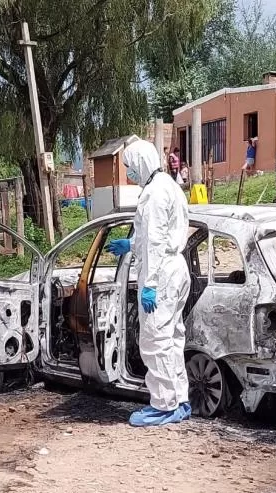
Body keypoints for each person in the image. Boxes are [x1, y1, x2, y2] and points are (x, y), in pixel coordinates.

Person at [105, 140, 191, 427]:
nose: (129, 172)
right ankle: (179, 399)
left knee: (155, 341)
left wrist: (150, 284)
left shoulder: (153, 194)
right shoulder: (169, 185)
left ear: (140, 163)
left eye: (129, 167)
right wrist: (130, 244)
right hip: (176, 268)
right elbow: (160, 235)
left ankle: (164, 405)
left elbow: (154, 242)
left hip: (162, 274)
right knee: (173, 339)